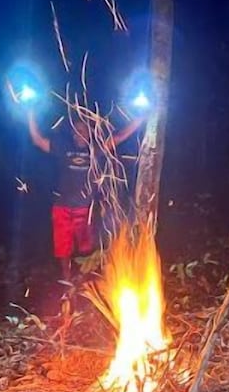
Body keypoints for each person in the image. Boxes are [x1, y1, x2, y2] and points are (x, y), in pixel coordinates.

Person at [27, 110, 144, 283]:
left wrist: (141, 117)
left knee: (86, 246)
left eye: (82, 130)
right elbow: (37, 140)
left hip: (84, 208)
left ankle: (84, 278)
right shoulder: (63, 148)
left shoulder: (95, 149)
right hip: (62, 206)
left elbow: (119, 137)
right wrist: (30, 112)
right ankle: (66, 280)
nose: (79, 134)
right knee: (63, 247)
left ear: (89, 133)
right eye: (76, 131)